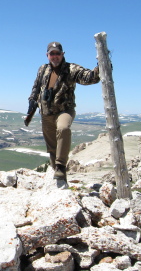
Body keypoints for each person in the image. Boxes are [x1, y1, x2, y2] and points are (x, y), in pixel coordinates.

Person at [25, 41, 100, 181]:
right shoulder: (43, 69)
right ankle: (58, 175)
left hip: (64, 110)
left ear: (62, 54)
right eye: (52, 54)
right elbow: (36, 87)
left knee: (63, 128)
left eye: (57, 53)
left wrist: (100, 67)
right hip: (46, 113)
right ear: (47, 55)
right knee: (52, 147)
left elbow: (89, 77)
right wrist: (32, 102)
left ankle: (60, 166)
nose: (55, 56)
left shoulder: (71, 69)